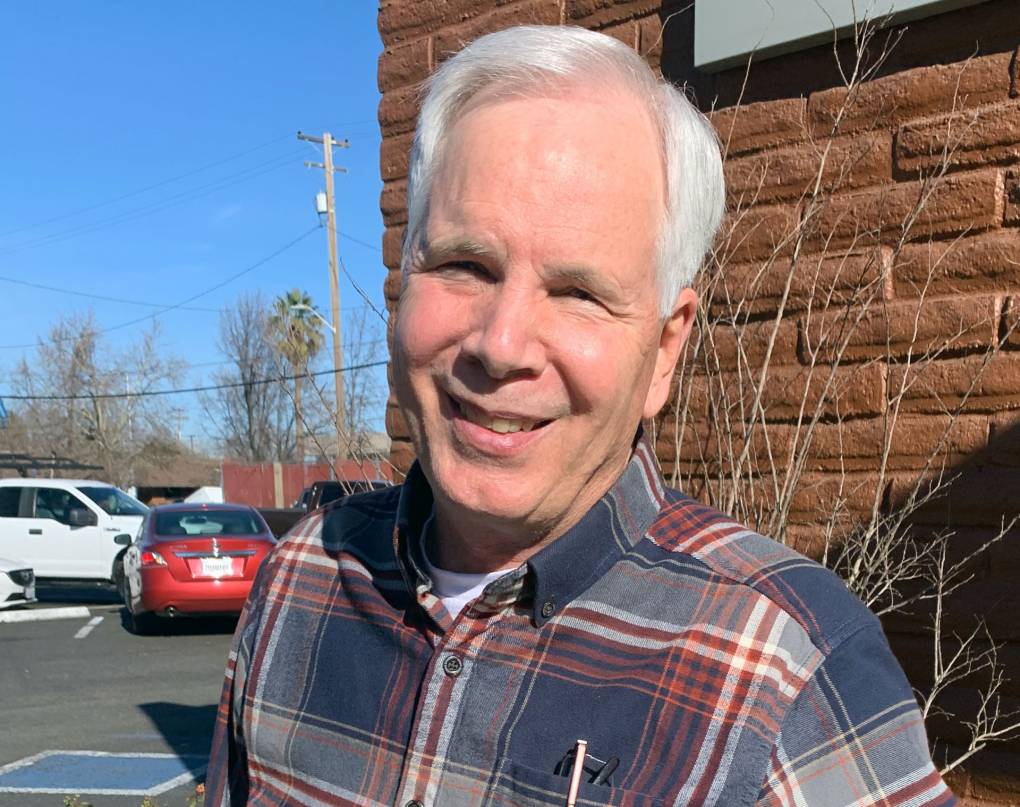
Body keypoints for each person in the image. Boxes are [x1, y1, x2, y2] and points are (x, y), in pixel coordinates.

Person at [205, 25, 955, 807]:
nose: (500, 345)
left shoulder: (791, 672)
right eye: (465, 265)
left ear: (665, 350)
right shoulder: (299, 584)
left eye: (579, 293)